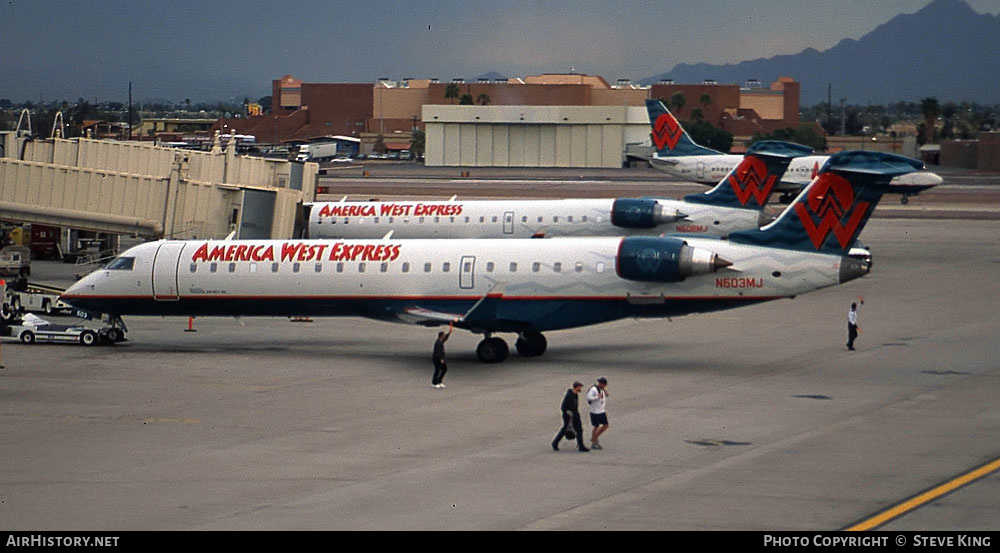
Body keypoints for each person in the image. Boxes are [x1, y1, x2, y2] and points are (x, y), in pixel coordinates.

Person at [552, 381, 588, 452]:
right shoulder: (569, 395)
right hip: (569, 416)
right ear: (576, 387)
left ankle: (580, 445)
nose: (580, 388)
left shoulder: (575, 395)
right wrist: (568, 413)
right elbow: (563, 407)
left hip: (575, 415)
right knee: (565, 429)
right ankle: (555, 443)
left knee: (579, 429)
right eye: (580, 387)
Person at [587, 377, 610, 449]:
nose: (600, 384)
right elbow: (588, 397)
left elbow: (604, 396)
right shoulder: (593, 389)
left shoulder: (602, 389)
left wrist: (605, 394)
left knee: (605, 425)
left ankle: (594, 437)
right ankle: (594, 442)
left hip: (601, 410)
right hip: (594, 411)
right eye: (600, 383)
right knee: (596, 426)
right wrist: (597, 397)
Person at [431, 322, 453, 388]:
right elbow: (438, 352)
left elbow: (446, 337)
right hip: (437, 359)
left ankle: (439, 381)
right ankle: (434, 383)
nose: (444, 336)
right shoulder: (438, 343)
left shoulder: (441, 341)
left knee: (444, 369)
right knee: (437, 370)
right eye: (443, 335)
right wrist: (441, 359)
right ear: (441, 336)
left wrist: (450, 331)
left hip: (439, 359)